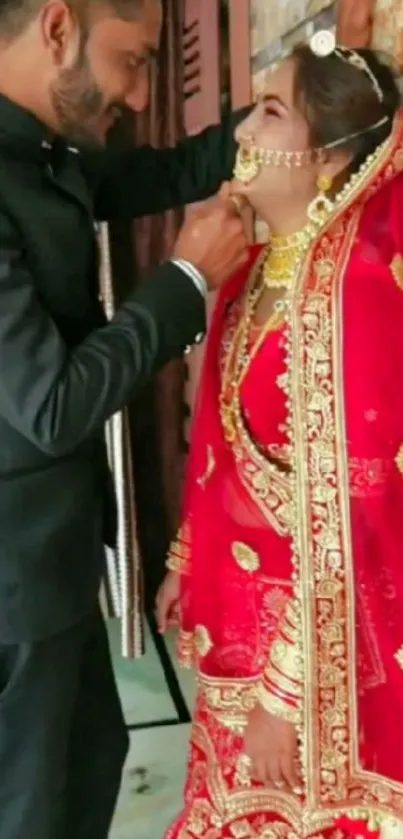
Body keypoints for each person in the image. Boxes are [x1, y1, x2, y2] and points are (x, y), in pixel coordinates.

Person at [0, 0, 249, 837]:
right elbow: (52, 404)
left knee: (89, 765)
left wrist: (313, 96)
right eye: (134, 60)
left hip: (55, 561)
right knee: (32, 805)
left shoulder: (43, 152)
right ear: (59, 27)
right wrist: (184, 279)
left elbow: (169, 172)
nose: (142, 94)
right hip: (12, 585)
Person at [157, 30, 403, 839]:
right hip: (235, 633)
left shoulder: (355, 297)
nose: (239, 135)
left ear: (328, 159)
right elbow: (222, 455)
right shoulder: (254, 272)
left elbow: (357, 515)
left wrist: (286, 698)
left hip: (311, 664)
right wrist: (186, 560)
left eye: (267, 114)